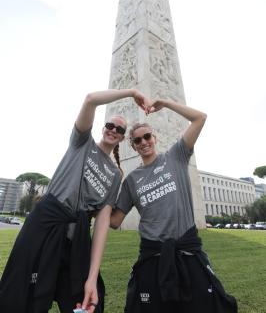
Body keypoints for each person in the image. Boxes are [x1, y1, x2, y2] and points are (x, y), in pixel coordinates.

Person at [0, 88, 148, 313]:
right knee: (20, 291)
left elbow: (101, 224)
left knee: (87, 300)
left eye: (119, 129)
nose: (114, 130)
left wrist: (92, 274)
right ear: (102, 127)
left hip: (77, 236)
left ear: (121, 137)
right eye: (110, 125)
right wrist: (130, 93)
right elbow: (90, 99)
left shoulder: (115, 174)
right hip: (45, 222)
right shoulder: (82, 142)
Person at [111, 97, 238, 313]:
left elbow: (200, 118)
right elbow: (114, 221)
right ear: (132, 145)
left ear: (154, 138)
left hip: (187, 252)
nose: (144, 143)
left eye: (147, 137)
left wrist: (166, 103)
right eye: (138, 140)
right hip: (153, 256)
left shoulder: (176, 156)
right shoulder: (132, 181)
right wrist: (93, 203)